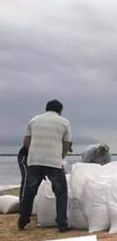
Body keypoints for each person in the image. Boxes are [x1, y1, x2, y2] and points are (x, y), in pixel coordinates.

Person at [18, 99, 72, 232]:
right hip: (53, 162)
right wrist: (61, 157)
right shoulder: (64, 122)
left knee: (29, 193)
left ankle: (23, 221)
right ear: (60, 111)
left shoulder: (34, 120)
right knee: (61, 192)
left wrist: (36, 152)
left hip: (34, 161)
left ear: (46, 108)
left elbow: (26, 142)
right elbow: (66, 144)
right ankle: (62, 224)